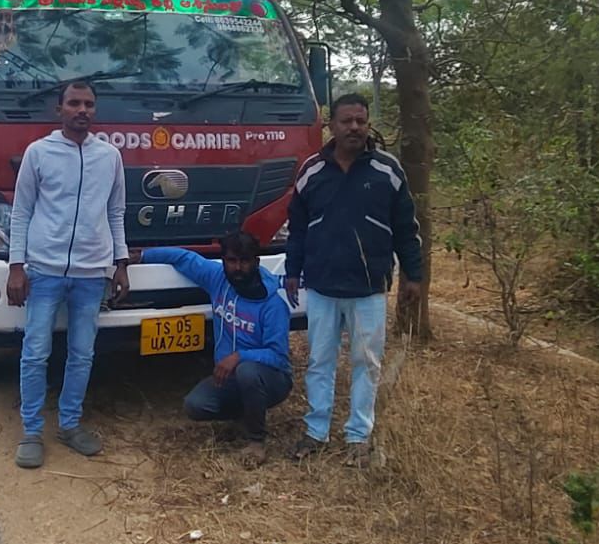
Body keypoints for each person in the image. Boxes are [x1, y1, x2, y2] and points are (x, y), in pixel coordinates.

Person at [284, 92, 424, 467]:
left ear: (368, 124)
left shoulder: (388, 171)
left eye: (361, 121)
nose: (354, 128)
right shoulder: (312, 171)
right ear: (331, 124)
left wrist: (414, 275)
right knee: (320, 360)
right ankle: (316, 431)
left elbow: (406, 229)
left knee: (367, 362)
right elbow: (297, 228)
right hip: (322, 286)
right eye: (346, 121)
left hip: (369, 287)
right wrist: (293, 270)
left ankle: (358, 435)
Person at [7, 81, 130, 469]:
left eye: (89, 104)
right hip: (44, 270)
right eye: (74, 103)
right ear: (58, 109)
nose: (82, 110)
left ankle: (70, 424)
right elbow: (21, 212)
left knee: (82, 353)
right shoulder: (38, 153)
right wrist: (16, 266)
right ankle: (31, 431)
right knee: (35, 352)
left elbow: (115, 212)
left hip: (92, 273)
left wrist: (121, 263)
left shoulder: (109, 156)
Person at [137, 232, 292, 467]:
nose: (237, 268)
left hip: (271, 378)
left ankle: (256, 441)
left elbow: (279, 357)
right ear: (223, 261)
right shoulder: (217, 278)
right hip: (230, 376)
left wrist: (239, 356)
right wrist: (142, 256)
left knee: (247, 371)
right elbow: (184, 258)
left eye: (244, 261)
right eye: (231, 261)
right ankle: (245, 414)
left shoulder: (273, 305)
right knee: (195, 405)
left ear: (256, 261)